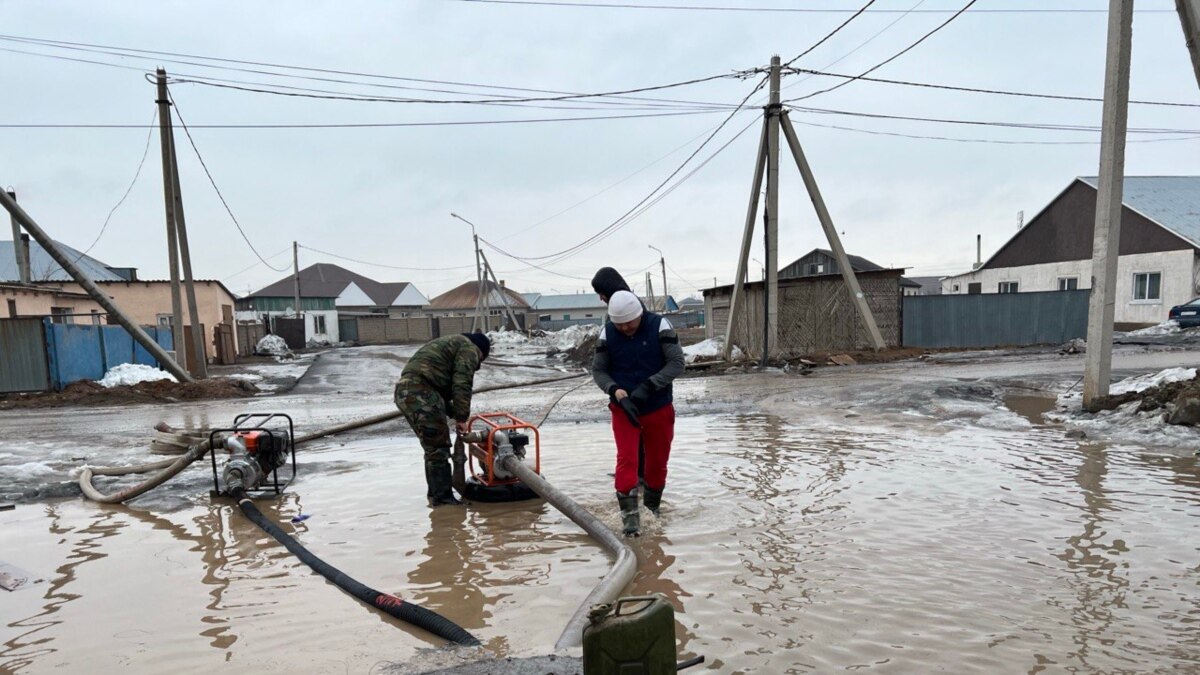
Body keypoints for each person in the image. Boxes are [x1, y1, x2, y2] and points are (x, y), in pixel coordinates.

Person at [591, 290, 685, 536]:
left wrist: (649, 386)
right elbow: (599, 371)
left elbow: (677, 363)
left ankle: (652, 510)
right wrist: (615, 391)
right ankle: (630, 519)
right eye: (619, 324)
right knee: (627, 459)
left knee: (656, 461)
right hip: (624, 407)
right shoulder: (607, 333)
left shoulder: (659, 326)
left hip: (657, 405)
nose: (624, 329)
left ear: (639, 315)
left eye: (629, 323)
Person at [394, 332, 491, 507]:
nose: (477, 364)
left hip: (408, 391)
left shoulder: (452, 343)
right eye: (479, 361)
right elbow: (462, 383)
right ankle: (443, 500)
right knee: (438, 448)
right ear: (481, 351)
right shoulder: (469, 348)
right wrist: (462, 417)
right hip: (420, 392)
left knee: (433, 447)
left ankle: (437, 497)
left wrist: (455, 414)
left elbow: (439, 391)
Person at [590, 266, 647, 484]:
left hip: (636, 382)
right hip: (620, 384)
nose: (600, 297)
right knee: (628, 432)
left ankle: (638, 475)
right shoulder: (618, 310)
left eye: (601, 292)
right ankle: (631, 472)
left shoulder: (630, 309)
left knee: (636, 430)